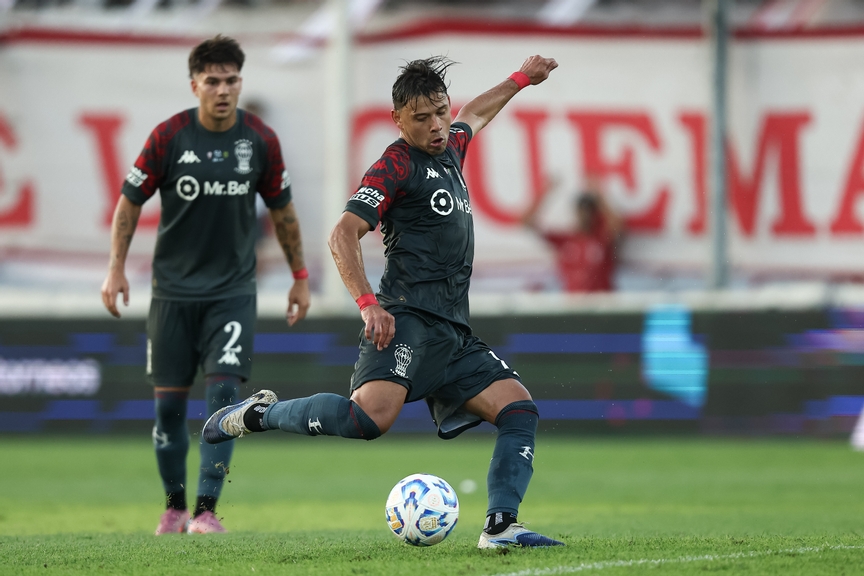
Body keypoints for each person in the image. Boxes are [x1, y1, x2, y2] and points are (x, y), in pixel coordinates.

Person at [203, 55, 563, 549]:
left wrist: (521, 79)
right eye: (422, 118)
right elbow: (342, 233)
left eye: (440, 112)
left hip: (453, 331)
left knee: (518, 408)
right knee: (367, 420)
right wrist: (368, 303)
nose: (436, 125)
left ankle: (501, 527)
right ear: (397, 119)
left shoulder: (450, 147)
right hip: (407, 319)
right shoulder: (396, 164)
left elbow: (475, 113)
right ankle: (257, 415)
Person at [100, 35, 311, 535]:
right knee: (170, 409)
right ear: (195, 85)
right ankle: (174, 507)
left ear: (240, 83)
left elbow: (283, 213)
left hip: (231, 294)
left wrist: (300, 277)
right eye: (212, 81)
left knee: (224, 402)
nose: (223, 90)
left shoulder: (259, 139)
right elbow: (129, 201)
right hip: (172, 294)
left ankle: (206, 511)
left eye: (231, 80)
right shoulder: (169, 137)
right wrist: (115, 267)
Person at [522, 177, 623, 292]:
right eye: (582, 211)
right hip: (573, 301)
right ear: (576, 213)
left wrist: (599, 194)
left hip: (602, 301)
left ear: (596, 214)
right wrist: (546, 191)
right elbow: (527, 223)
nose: (586, 216)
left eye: (589, 211)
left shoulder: (602, 239)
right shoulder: (565, 240)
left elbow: (617, 225)